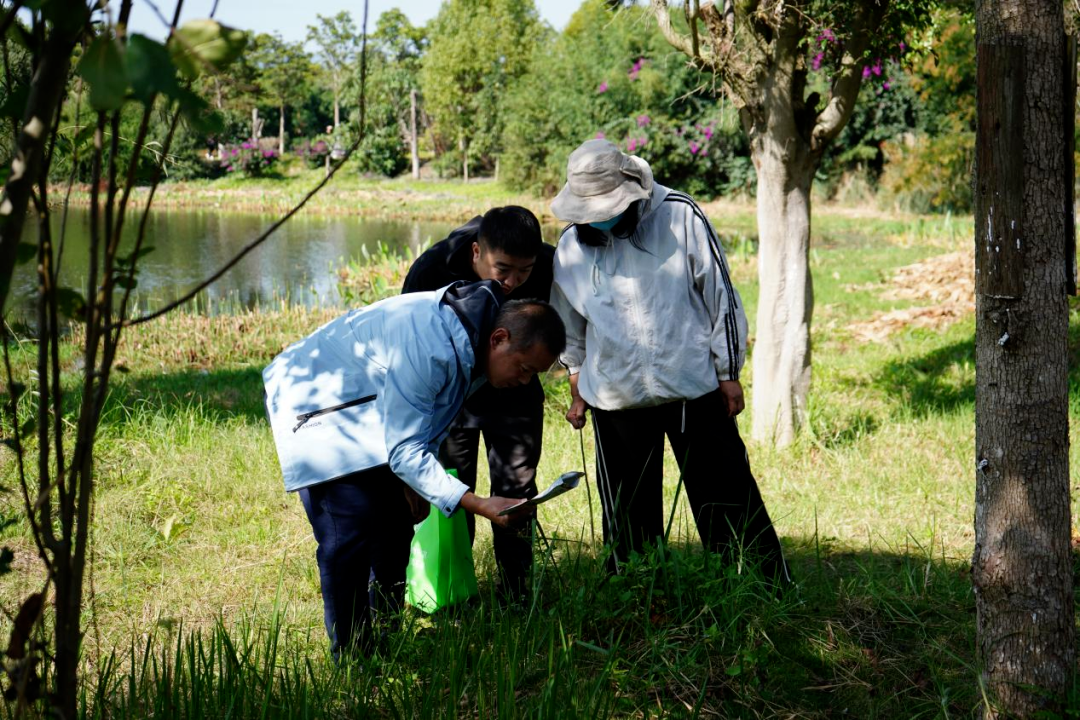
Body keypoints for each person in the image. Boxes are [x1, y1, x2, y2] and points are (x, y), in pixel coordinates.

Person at [263, 281, 566, 656]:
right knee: (348, 532)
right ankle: (355, 658)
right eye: (523, 368)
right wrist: (479, 503)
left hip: (369, 406)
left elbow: (431, 415)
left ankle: (385, 637)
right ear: (500, 338)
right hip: (316, 400)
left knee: (395, 524)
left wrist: (419, 483)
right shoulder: (433, 347)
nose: (524, 381)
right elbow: (406, 449)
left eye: (533, 374)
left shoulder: (472, 343)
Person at [548, 139, 790, 583]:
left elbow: (719, 294)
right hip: (615, 395)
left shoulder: (680, 215)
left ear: (631, 190)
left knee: (726, 493)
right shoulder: (571, 246)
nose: (600, 217)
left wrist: (728, 371)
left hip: (692, 385)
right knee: (627, 508)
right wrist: (576, 377)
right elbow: (568, 322)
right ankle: (638, 594)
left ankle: (759, 584)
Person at [402, 206, 555, 600]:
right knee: (455, 483)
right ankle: (453, 586)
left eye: (525, 272)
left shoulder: (551, 264)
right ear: (476, 253)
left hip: (517, 389)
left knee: (518, 487)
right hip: (454, 394)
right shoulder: (434, 268)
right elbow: (412, 344)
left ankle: (518, 590)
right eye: (502, 270)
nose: (513, 282)